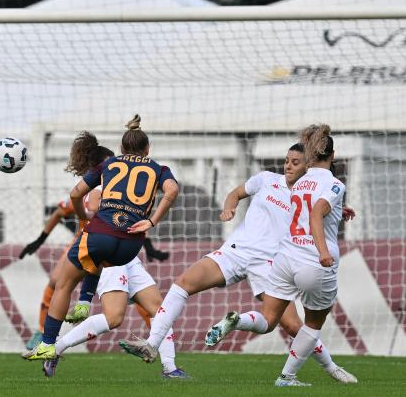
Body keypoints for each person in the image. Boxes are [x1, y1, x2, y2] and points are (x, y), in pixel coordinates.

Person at [119, 141, 357, 384]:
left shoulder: (308, 192)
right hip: (238, 251)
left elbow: (315, 206)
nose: (288, 166)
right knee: (182, 284)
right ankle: (151, 344)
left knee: (291, 326)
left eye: (295, 162)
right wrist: (229, 208)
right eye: (286, 161)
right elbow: (236, 193)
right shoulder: (265, 179)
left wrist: (340, 208)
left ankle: (331, 367)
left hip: (271, 264)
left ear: (309, 166)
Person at [203, 125, 353, 387]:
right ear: (333, 154)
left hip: (284, 259)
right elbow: (317, 212)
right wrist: (323, 252)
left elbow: (306, 208)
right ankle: (287, 377)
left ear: (310, 155)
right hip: (312, 261)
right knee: (312, 324)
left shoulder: (299, 182)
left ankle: (238, 320)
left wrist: (338, 209)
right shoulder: (334, 183)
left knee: (270, 318)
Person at [22, 114, 179, 362]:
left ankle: (48, 343)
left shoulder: (108, 167)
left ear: (120, 149)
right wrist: (151, 221)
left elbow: (75, 196)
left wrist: (85, 219)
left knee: (62, 283)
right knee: (118, 282)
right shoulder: (159, 169)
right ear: (148, 149)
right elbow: (172, 190)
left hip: (100, 235)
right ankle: (167, 364)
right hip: (130, 246)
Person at [43, 185, 186, 379]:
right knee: (114, 318)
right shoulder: (99, 189)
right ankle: (56, 349)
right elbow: (92, 215)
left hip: (129, 255)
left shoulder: (124, 187)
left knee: (160, 310)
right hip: (111, 253)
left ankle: (169, 368)